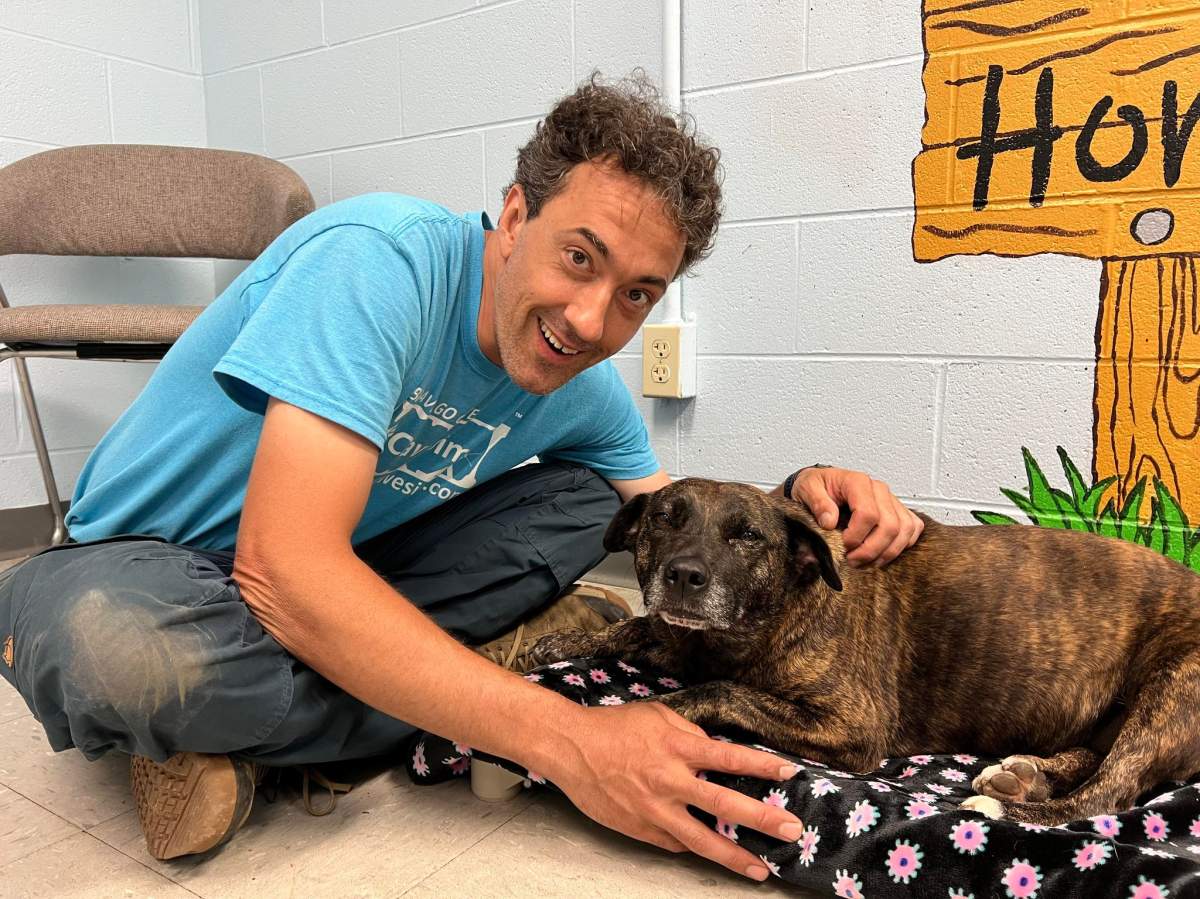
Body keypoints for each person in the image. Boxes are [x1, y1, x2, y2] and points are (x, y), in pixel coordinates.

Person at [0, 73, 922, 880]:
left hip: (339, 565)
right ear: (514, 217)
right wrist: (565, 739)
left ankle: (258, 732)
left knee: (583, 501)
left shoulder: (583, 383)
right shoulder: (378, 262)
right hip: (150, 563)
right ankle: (446, 677)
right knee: (115, 651)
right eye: (579, 258)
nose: (593, 319)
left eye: (638, 293)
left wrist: (804, 497)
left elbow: (678, 520)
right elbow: (279, 568)